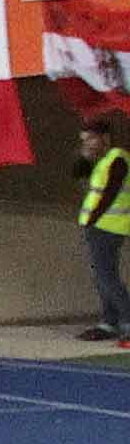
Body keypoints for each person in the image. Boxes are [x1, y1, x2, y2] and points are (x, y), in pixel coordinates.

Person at [77, 98, 130, 343]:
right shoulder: (100, 161)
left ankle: (126, 321)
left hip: (108, 226)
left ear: (104, 138)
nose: (87, 144)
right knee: (102, 276)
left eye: (90, 139)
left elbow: (110, 193)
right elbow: (78, 176)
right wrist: (85, 157)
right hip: (98, 226)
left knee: (107, 277)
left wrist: (93, 219)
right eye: (84, 140)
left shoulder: (118, 159)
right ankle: (109, 322)